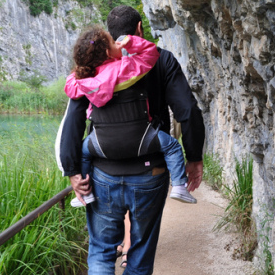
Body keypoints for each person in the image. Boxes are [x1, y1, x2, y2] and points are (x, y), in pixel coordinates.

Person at [56, 5, 205, 275]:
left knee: (101, 252)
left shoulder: (90, 71)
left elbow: (74, 121)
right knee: (139, 250)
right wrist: (193, 156)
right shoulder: (160, 60)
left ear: (110, 36)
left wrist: (75, 172)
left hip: (102, 174)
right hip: (150, 174)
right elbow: (188, 111)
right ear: (139, 28)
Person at [64, 26, 197, 207]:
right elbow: (151, 53)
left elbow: (70, 89)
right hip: (142, 140)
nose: (117, 43)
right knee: (173, 147)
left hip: (100, 143)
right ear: (108, 52)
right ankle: (179, 186)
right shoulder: (125, 69)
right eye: (113, 42)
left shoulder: (84, 81)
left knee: (84, 153)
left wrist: (72, 171)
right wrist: (130, 42)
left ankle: (86, 193)